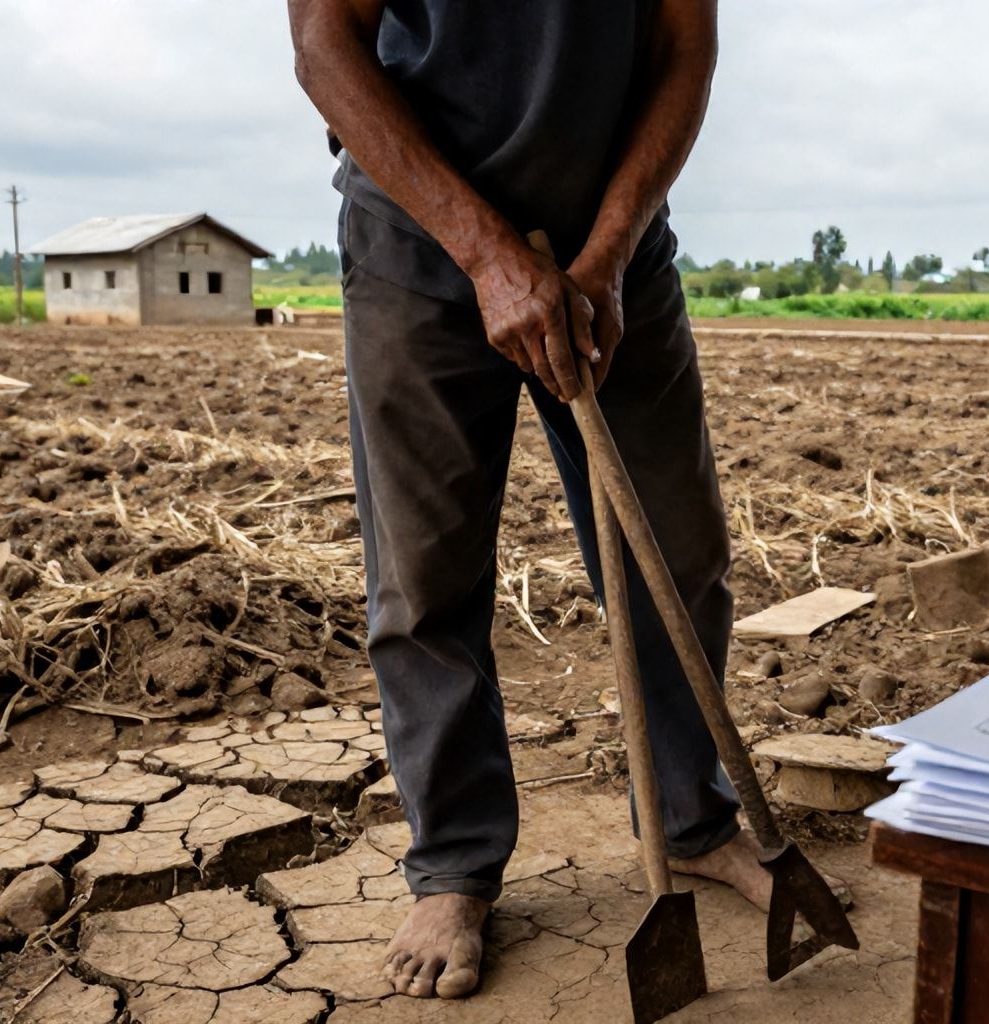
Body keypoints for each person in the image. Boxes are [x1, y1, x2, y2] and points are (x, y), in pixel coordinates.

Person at [286, 0, 769, 1001]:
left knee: (674, 548)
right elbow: (324, 45)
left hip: (608, 240)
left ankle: (690, 820)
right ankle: (456, 862)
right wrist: (483, 253)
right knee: (425, 571)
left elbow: (685, 47)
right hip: (417, 236)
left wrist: (611, 250)